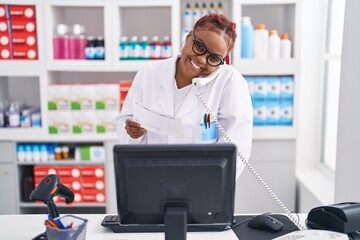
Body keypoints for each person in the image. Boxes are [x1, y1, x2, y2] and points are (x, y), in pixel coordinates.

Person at [115, 13, 253, 179]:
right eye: (200, 47)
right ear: (188, 37)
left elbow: (237, 148)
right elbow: (125, 122)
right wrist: (132, 133)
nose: (202, 60)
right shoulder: (149, 73)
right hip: (151, 177)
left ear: (223, 60)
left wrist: (212, 184)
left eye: (214, 58)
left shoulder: (230, 82)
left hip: (203, 184)